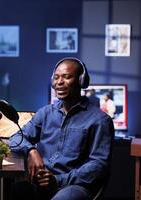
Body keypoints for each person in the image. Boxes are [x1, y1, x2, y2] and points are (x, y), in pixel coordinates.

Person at [9, 57, 114, 200]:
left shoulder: (100, 120)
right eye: (56, 77)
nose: (59, 82)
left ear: (81, 81)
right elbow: (15, 138)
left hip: (73, 186)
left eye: (66, 77)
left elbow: (98, 166)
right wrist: (31, 151)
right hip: (40, 184)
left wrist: (58, 180)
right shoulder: (45, 113)